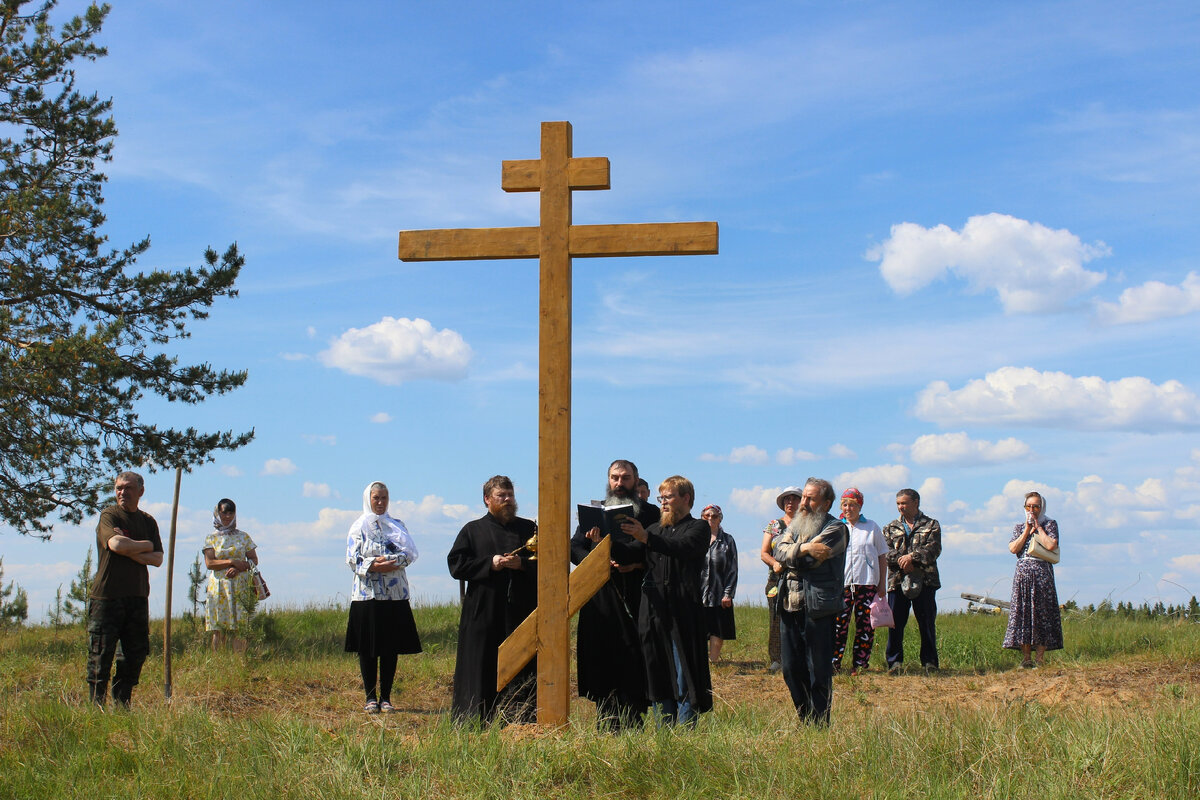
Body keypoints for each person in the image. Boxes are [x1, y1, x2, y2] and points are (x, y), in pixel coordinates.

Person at [572, 459, 658, 731]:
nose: (619, 483)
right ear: (608, 480)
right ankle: (607, 721)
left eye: (625, 478)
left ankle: (635, 720)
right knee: (603, 657)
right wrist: (597, 559)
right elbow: (575, 548)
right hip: (602, 596)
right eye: (614, 478)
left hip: (637, 593)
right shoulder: (594, 512)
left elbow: (654, 550)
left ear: (636, 480)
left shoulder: (650, 513)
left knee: (635, 657)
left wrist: (633, 562)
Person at [621, 475, 711, 726]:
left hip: (683, 609)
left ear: (686, 498)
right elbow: (631, 552)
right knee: (657, 671)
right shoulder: (654, 529)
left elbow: (682, 547)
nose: (662, 502)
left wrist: (645, 538)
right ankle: (665, 734)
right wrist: (602, 540)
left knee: (684, 674)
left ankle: (683, 735)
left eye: (668, 497)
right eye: (661, 498)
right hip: (652, 610)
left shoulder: (699, 528)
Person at [448, 475, 538, 724]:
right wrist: (491, 563)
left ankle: (522, 721)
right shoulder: (472, 530)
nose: (508, 500)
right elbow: (456, 565)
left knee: (522, 668)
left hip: (520, 612)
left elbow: (548, 566)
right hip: (483, 613)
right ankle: (474, 720)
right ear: (487, 499)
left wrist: (521, 565)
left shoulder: (528, 529)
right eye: (502, 496)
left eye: (510, 495)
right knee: (481, 666)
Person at [773, 478, 848, 725]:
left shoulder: (836, 529)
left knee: (818, 669)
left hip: (818, 607)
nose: (803, 503)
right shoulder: (794, 525)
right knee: (791, 669)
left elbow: (808, 562)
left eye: (811, 498)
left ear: (826, 503)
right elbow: (778, 552)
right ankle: (805, 719)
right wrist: (806, 548)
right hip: (789, 603)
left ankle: (819, 723)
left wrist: (796, 552)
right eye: (803, 497)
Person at [87, 471, 163, 707]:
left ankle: (122, 705)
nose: (123, 492)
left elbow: (158, 558)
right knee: (101, 654)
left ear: (141, 491)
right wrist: (144, 547)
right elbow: (115, 544)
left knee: (135, 653)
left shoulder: (148, 521)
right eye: (119, 488)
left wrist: (134, 548)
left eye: (128, 488)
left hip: (137, 597)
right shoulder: (109, 516)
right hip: (107, 597)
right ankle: (96, 708)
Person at [344, 482, 422, 713]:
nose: (380, 502)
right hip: (367, 595)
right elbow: (351, 559)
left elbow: (410, 554)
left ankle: (386, 697)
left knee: (390, 646)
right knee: (368, 648)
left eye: (384, 498)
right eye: (376, 498)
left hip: (394, 595)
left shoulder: (397, 525)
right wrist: (373, 564)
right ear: (368, 499)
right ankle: (370, 698)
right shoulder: (358, 527)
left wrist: (392, 563)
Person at [882, 488, 942, 673]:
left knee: (926, 623)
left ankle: (930, 662)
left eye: (904, 503)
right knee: (895, 624)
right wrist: (903, 561)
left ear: (916, 502)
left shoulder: (931, 524)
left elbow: (934, 549)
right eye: (898, 503)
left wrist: (913, 558)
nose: (901, 507)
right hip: (897, 581)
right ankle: (894, 663)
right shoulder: (890, 527)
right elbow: (886, 552)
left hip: (925, 581)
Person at [831, 488, 889, 675]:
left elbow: (882, 555)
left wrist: (882, 584)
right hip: (843, 584)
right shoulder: (836, 527)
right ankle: (834, 663)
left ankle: (860, 664)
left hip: (867, 583)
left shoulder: (871, 527)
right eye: (845, 505)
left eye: (853, 505)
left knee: (865, 625)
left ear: (860, 506)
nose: (849, 508)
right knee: (839, 625)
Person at [1002, 491, 1062, 668]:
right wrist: (1027, 529)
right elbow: (1014, 548)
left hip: (1042, 573)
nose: (1032, 510)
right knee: (1023, 614)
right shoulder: (1019, 527)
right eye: (1029, 506)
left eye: (1036, 506)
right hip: (1023, 574)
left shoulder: (1050, 523)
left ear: (1041, 507)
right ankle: (1026, 658)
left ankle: (1040, 659)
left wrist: (1039, 527)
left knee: (1042, 614)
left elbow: (1051, 545)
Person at [203, 498, 260, 652]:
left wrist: (240, 568)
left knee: (240, 626)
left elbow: (254, 559)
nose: (227, 517)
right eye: (224, 513)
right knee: (219, 626)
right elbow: (210, 563)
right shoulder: (212, 538)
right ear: (218, 514)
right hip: (219, 587)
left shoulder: (243, 536)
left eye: (230, 513)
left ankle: (240, 661)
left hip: (240, 586)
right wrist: (231, 562)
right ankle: (218, 662)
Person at [761, 486, 802, 672]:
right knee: (776, 619)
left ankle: (797, 659)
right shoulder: (774, 525)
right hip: (776, 580)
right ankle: (776, 660)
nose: (790, 503)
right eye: (787, 499)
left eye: (794, 499)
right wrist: (774, 564)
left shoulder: (807, 524)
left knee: (799, 620)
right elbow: (764, 553)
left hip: (800, 580)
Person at [699, 504, 738, 663]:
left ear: (720, 518)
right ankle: (700, 661)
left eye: (714, 516)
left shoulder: (728, 540)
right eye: (706, 516)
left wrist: (728, 593)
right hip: (698, 591)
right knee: (698, 627)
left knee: (717, 629)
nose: (710, 518)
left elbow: (733, 569)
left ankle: (713, 661)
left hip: (719, 591)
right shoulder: (696, 539)